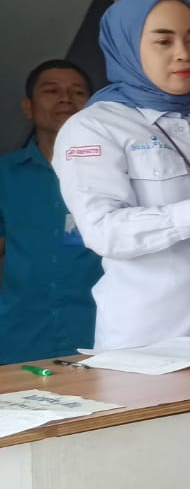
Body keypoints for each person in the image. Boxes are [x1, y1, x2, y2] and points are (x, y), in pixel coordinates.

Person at [54, 0, 190, 350]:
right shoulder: (95, 128)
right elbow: (102, 230)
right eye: (163, 42)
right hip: (150, 344)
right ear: (127, 48)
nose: (183, 53)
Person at [0, 60, 103, 363]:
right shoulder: (5, 174)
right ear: (28, 107)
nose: (66, 99)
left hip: (101, 333)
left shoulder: (113, 172)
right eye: (52, 91)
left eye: (78, 92)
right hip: (20, 335)